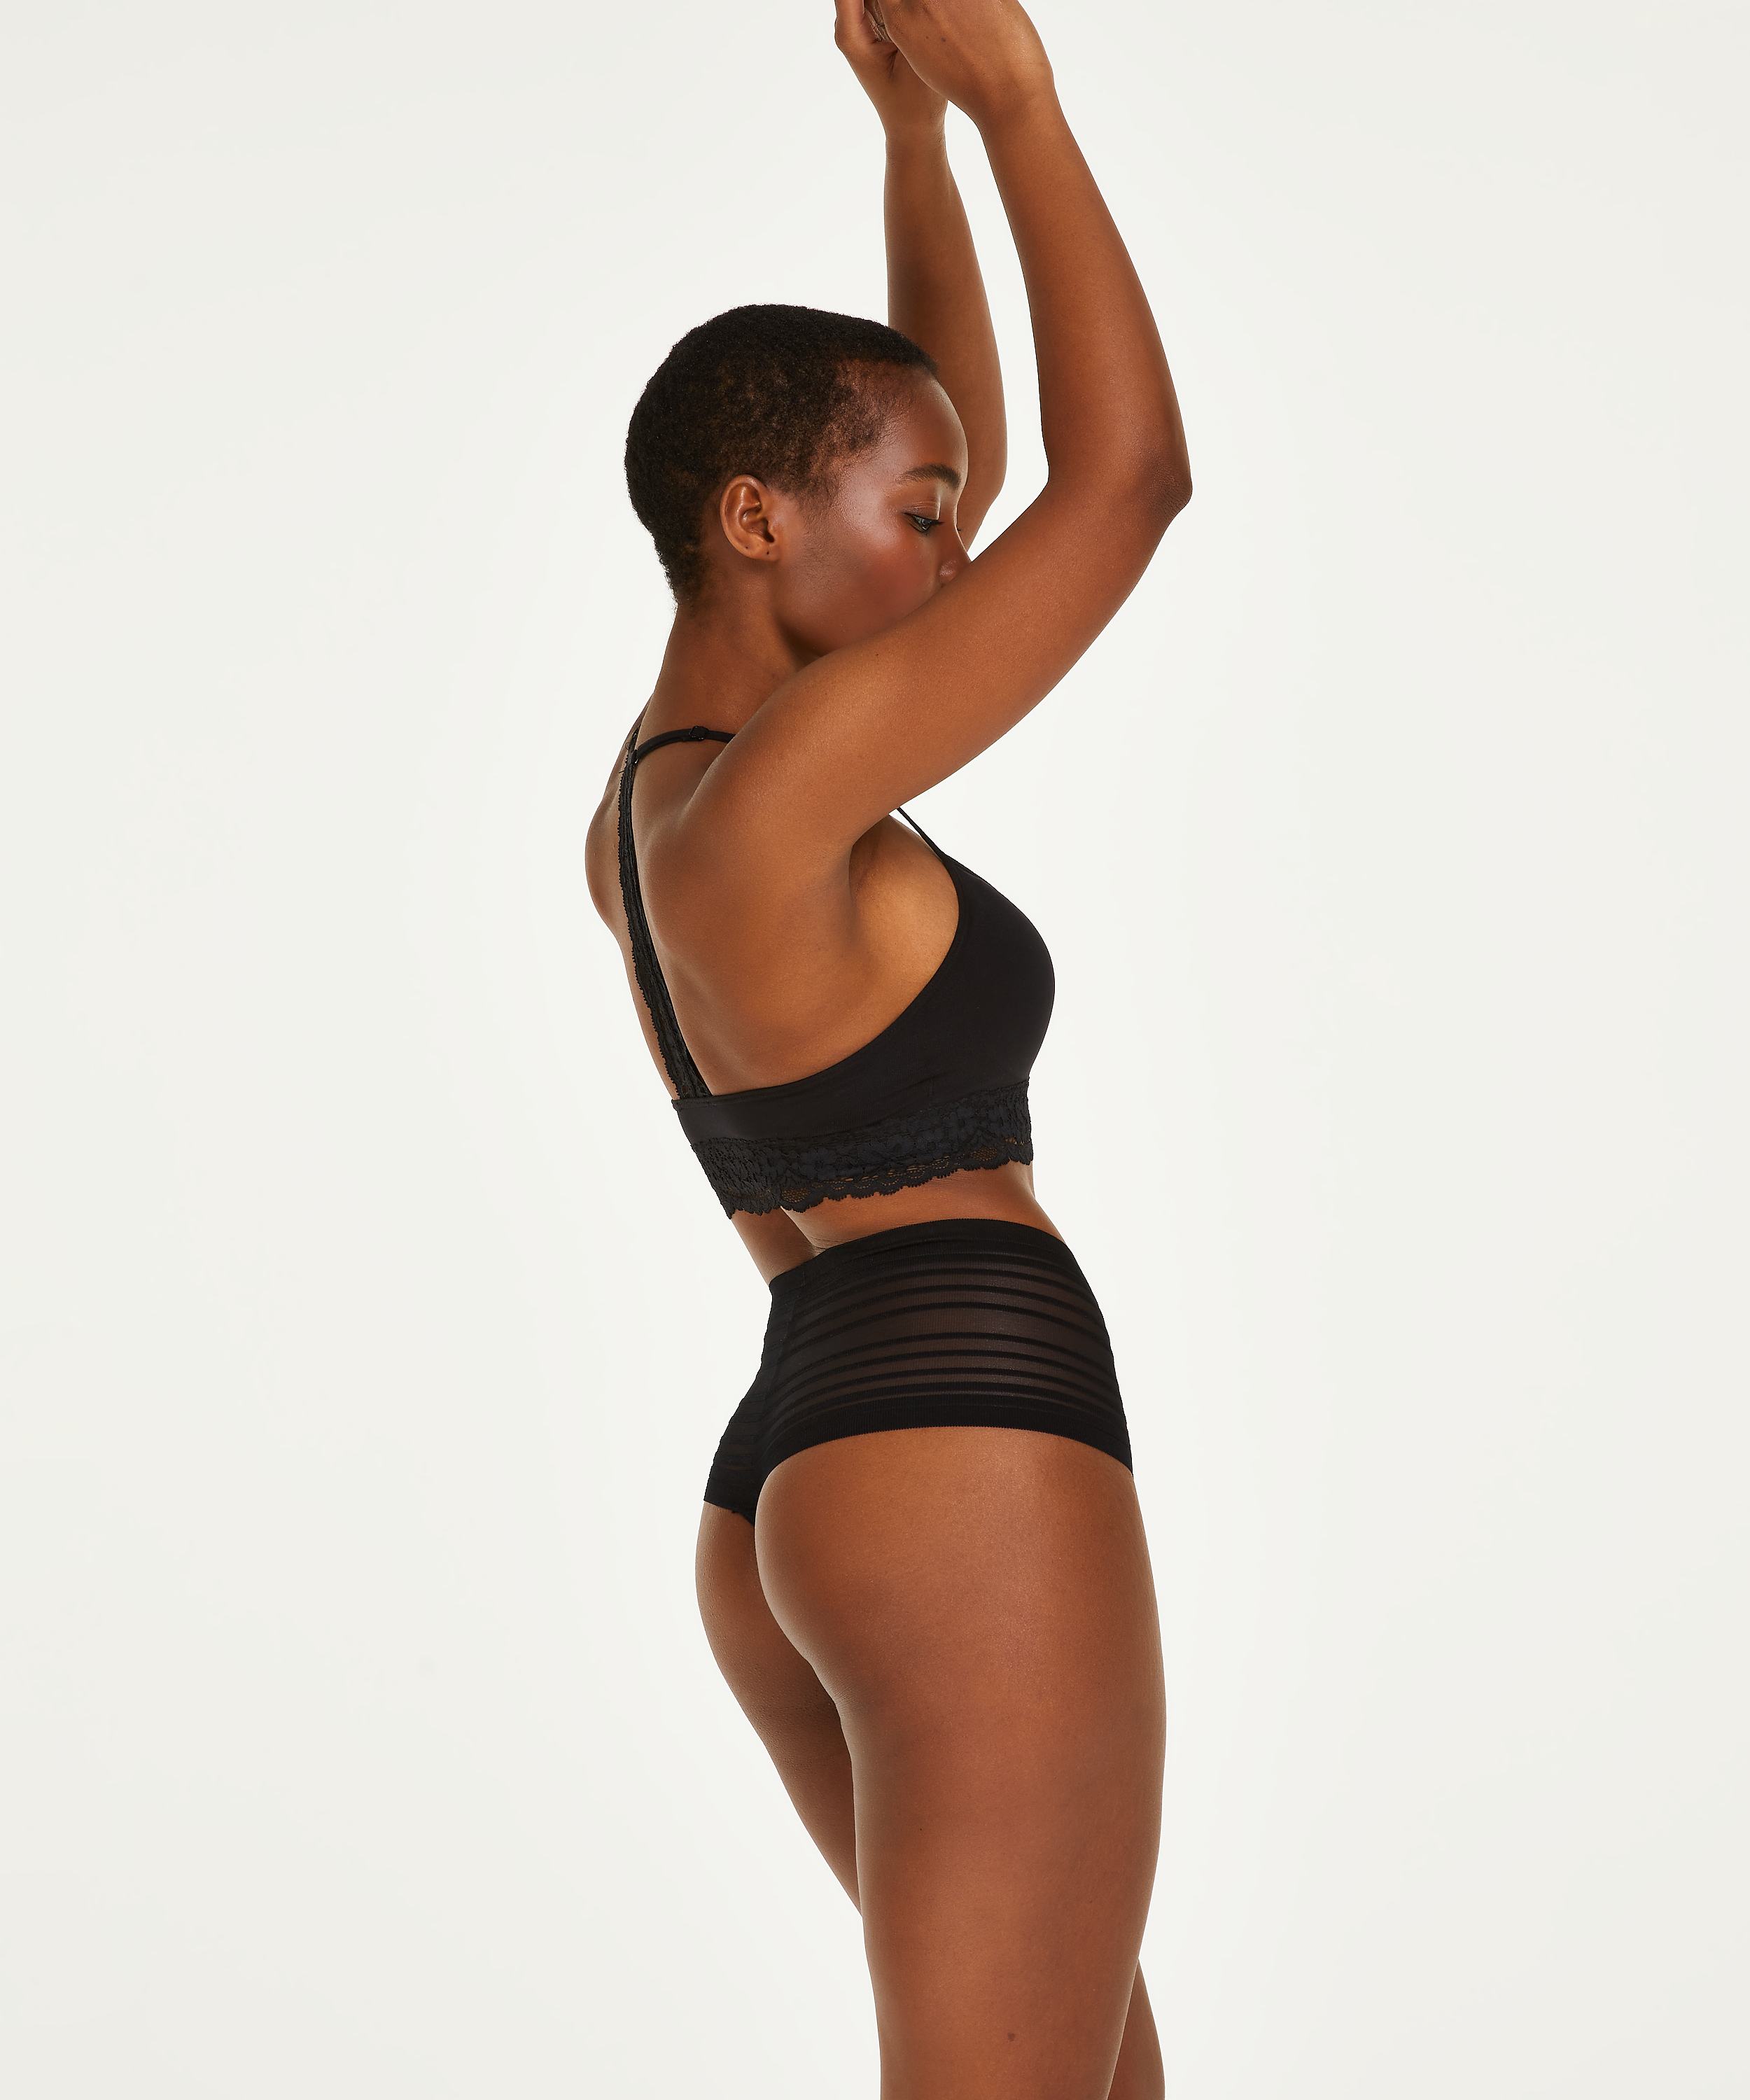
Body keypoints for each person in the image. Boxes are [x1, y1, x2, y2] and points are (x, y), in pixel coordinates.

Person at [585, 3, 1190, 2092]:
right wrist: (1022, 99)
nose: (959, 550)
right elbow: (1128, 485)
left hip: (816, 1439)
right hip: (953, 1441)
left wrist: (911, 144)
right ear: (759, 520)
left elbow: (993, 465)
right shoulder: (775, 802)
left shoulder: (670, 796)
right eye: (921, 513)